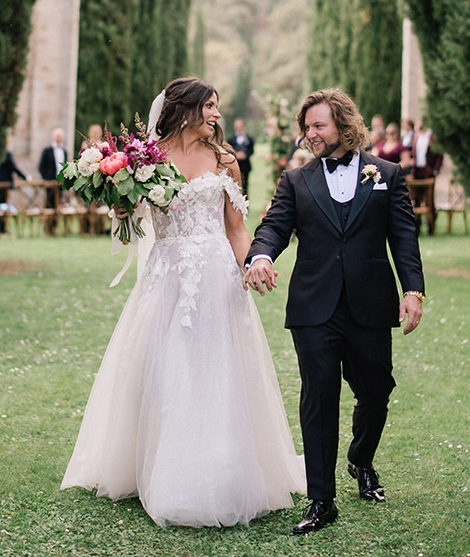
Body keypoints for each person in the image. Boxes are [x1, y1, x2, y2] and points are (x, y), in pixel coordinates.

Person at [61, 77, 305, 527]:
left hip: (216, 277)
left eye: (217, 107)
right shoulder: (147, 160)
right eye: (209, 106)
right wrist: (120, 206)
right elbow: (131, 216)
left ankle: (223, 469)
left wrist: (252, 263)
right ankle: (159, 468)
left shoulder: (225, 161)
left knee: (218, 370)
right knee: (163, 371)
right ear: (185, 109)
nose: (216, 114)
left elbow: (235, 229)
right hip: (166, 278)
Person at [244, 87, 425, 536]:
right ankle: (321, 500)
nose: (310, 135)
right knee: (318, 398)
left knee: (376, 389)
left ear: (344, 126)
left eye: (318, 126)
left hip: (370, 305)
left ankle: (360, 460)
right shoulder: (296, 180)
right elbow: (273, 227)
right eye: (307, 128)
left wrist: (414, 290)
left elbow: (403, 236)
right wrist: (261, 256)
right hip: (314, 309)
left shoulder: (386, 174)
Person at [0, 149, 27, 234]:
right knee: (2, 206)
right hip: (4, 185)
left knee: (1, 206)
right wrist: (24, 177)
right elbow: (13, 167)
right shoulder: (6, 154)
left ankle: (0, 228)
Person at [38, 127, 67, 209]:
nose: (59, 138)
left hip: (60, 181)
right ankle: (48, 221)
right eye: (57, 135)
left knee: (59, 203)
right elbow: (41, 166)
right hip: (50, 180)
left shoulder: (64, 151)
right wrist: (46, 178)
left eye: (60, 136)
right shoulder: (47, 150)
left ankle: (57, 221)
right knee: (49, 203)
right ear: (53, 137)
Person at [226, 117, 255, 193]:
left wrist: (245, 154)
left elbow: (251, 150)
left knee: (245, 185)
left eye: (240, 126)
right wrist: (236, 154)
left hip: (245, 165)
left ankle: (246, 201)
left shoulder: (249, 138)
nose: (238, 128)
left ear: (243, 126)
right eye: (236, 126)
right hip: (235, 165)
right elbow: (228, 150)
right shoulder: (231, 139)